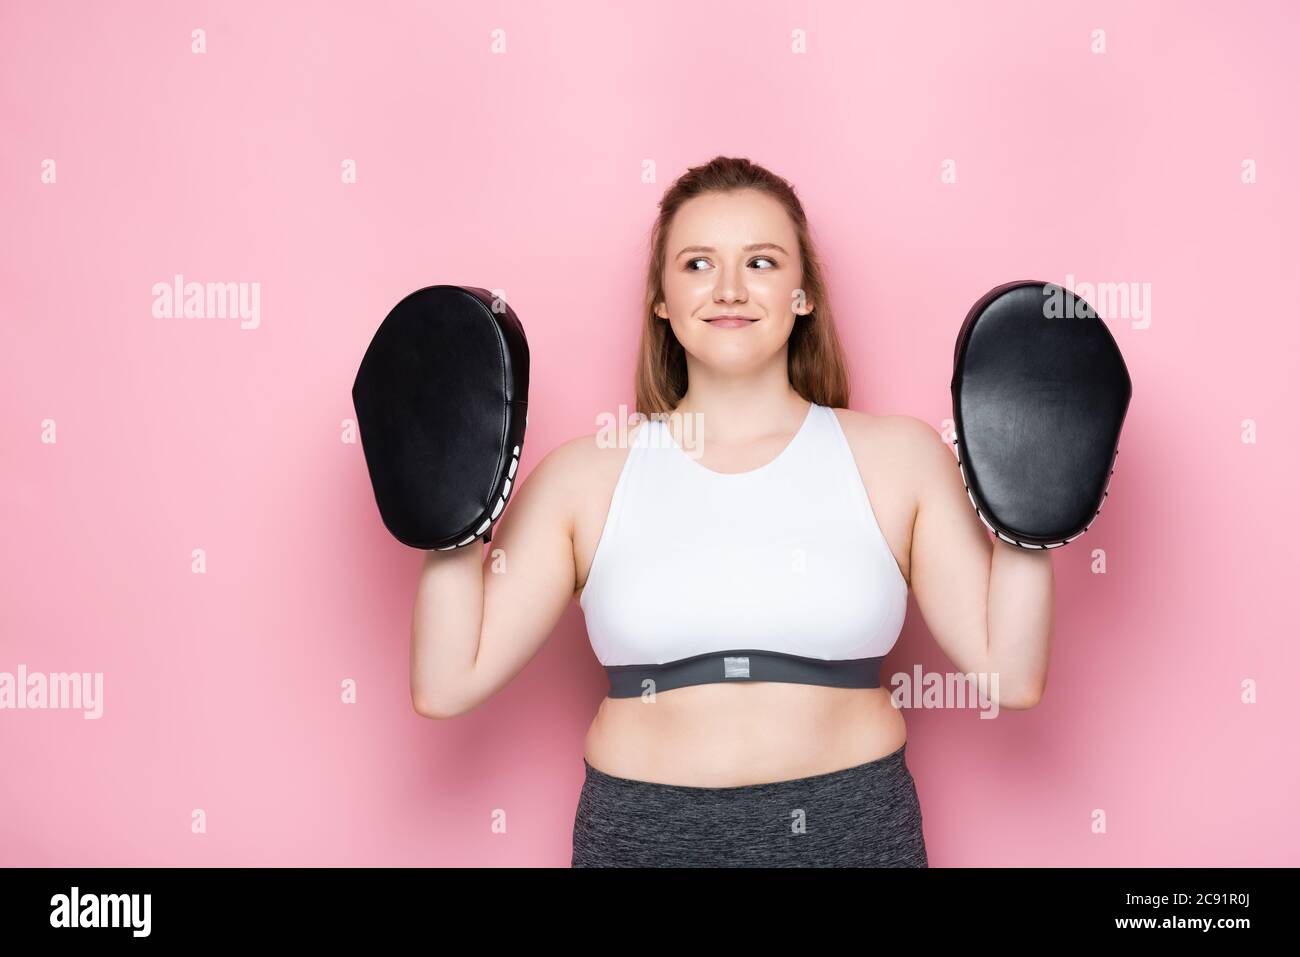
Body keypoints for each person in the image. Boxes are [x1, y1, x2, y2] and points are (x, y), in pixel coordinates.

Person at [408, 156, 1054, 867]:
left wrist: (1035, 509)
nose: (728, 289)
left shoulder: (899, 456)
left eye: (762, 261)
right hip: (644, 835)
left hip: (850, 831)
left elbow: (1009, 676)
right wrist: (452, 508)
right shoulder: (584, 475)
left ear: (803, 293)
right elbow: (447, 683)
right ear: (660, 297)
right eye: (696, 264)